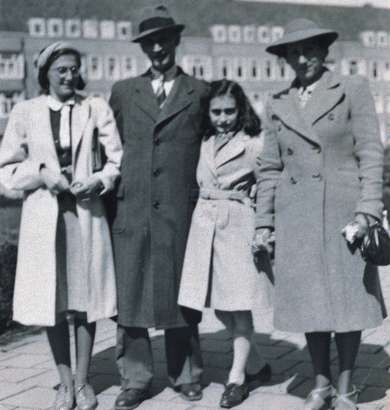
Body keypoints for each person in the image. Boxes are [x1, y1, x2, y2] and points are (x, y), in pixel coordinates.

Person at [253, 19, 386, 410]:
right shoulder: (277, 103)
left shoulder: (352, 89)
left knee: (347, 302)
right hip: (297, 216)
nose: (302, 57)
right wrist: (264, 222)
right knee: (310, 304)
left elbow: (370, 153)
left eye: (310, 49)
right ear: (285, 59)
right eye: (293, 52)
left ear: (324, 52)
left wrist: (367, 211)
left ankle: (345, 387)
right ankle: (320, 384)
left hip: (344, 215)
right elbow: (269, 168)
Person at [0, 42, 122, 410]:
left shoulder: (94, 107)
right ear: (45, 75)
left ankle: (84, 383)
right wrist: (40, 174)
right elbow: (5, 169)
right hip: (45, 218)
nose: (70, 76)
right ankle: (64, 384)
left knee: (85, 301)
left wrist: (98, 179)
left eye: (73, 69)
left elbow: (117, 160)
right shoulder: (26, 111)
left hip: (85, 213)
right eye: (61, 70)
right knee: (51, 302)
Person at [108, 5, 209, 410]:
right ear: (142, 47)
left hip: (179, 210)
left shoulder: (199, 92)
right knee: (130, 293)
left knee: (180, 292)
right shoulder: (123, 92)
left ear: (176, 41)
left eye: (163, 40)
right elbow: (108, 147)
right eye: (149, 42)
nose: (157, 48)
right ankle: (135, 379)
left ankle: (186, 375)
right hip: (130, 208)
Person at [178, 80, 273, 408]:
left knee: (238, 303)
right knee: (218, 304)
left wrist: (265, 226)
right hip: (204, 224)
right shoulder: (204, 140)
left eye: (229, 111)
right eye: (216, 111)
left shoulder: (253, 143)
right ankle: (258, 365)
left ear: (241, 109)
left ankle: (237, 379)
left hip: (237, 223)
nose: (222, 118)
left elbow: (269, 184)